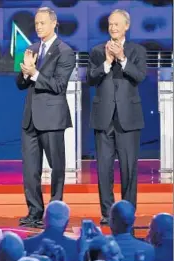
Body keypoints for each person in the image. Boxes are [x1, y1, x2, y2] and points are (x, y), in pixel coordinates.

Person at [15, 7, 75, 228]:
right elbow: (20, 84)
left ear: (54, 23)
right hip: (30, 118)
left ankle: (56, 213)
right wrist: (24, 73)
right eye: (36, 23)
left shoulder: (65, 51)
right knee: (30, 170)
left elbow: (59, 86)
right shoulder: (31, 49)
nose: (38, 26)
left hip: (51, 118)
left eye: (42, 23)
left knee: (56, 167)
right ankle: (34, 212)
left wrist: (35, 74)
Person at [87, 9, 147, 225]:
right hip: (103, 118)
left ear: (126, 27)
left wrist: (121, 59)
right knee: (104, 168)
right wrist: (105, 62)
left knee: (129, 168)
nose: (113, 27)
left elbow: (140, 76)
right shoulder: (96, 51)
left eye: (117, 24)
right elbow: (90, 79)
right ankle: (107, 213)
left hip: (128, 119)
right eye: (110, 24)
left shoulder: (137, 51)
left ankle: (127, 213)